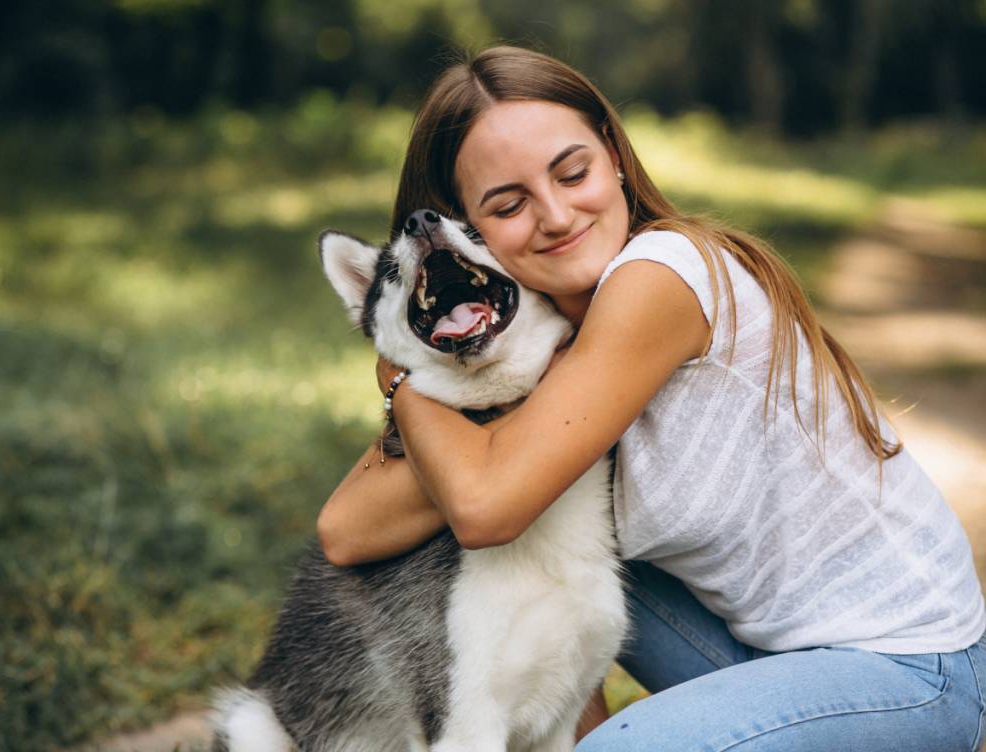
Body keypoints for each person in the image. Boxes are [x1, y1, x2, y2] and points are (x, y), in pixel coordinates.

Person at [316, 45, 986, 750]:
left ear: (612, 155)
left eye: (572, 172)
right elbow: (347, 531)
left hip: (910, 667)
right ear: (465, 238)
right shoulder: (531, 340)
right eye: (508, 205)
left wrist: (402, 370)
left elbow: (483, 508)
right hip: (767, 654)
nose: (554, 214)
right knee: (555, 550)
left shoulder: (659, 277)